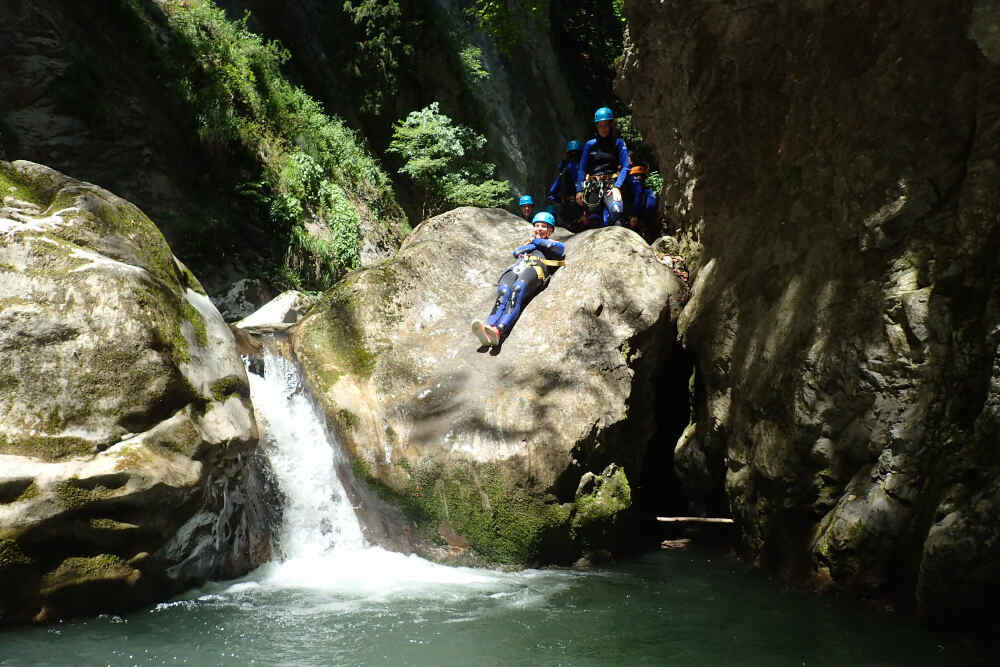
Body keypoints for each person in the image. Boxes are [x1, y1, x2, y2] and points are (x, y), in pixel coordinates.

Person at [472, 211, 566, 347]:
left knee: (517, 290)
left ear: (550, 230)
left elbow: (558, 249)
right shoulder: (530, 243)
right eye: (537, 225)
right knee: (504, 291)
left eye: (544, 226)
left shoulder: (552, 243)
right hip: (517, 267)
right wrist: (532, 244)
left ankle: (499, 330)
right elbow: (516, 253)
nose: (539, 228)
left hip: (535, 268)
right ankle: (488, 328)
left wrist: (535, 242)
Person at [576, 107, 630, 227]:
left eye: (606, 125)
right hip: (593, 186)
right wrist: (579, 190)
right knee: (593, 219)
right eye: (600, 125)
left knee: (617, 211)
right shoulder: (590, 145)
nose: (603, 128)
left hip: (611, 184)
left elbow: (626, 166)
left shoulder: (618, 143)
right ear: (596, 126)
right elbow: (582, 169)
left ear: (611, 125)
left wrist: (617, 186)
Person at [546, 140, 585, 231]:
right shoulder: (566, 168)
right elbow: (555, 186)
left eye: (575, 153)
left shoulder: (582, 168)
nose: (573, 155)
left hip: (581, 202)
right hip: (567, 202)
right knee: (551, 210)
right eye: (572, 153)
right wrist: (557, 197)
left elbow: (553, 190)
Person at [623, 165, 658, 232]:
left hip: (640, 217)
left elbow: (638, 195)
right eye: (636, 176)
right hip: (638, 216)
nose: (639, 178)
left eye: (641, 176)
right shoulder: (647, 191)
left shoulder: (648, 192)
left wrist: (634, 215)